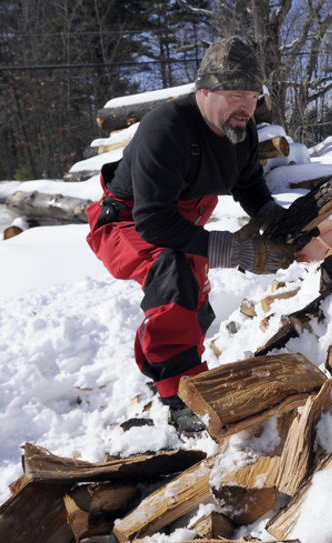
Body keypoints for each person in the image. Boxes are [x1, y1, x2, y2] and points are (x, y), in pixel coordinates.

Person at [86, 37, 293, 432]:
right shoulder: (166, 129)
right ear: (204, 91)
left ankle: (185, 353)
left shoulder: (241, 130)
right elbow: (153, 222)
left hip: (178, 216)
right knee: (173, 272)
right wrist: (234, 251)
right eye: (235, 94)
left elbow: (248, 184)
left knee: (194, 302)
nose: (246, 107)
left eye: (252, 96)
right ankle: (181, 396)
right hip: (128, 221)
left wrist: (274, 218)